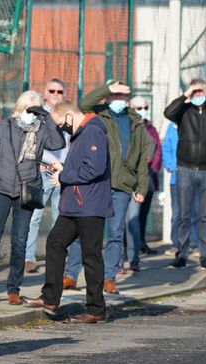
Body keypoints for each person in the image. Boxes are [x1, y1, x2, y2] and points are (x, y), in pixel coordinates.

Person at [0, 90, 65, 305]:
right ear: (20, 109)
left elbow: (58, 143)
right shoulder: (5, 126)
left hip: (27, 190)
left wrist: (46, 117)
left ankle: (13, 288)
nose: (30, 114)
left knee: (20, 241)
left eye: (35, 110)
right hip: (0, 188)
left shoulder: (41, 129)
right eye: (27, 110)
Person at [22, 101, 112, 323]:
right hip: (75, 204)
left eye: (62, 123)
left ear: (70, 115)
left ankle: (95, 309)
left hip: (90, 205)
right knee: (55, 242)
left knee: (91, 256)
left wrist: (64, 176)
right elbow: (83, 166)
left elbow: (94, 168)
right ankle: (50, 298)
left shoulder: (92, 131)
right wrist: (63, 170)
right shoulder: (82, 133)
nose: (62, 128)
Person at [79, 81, 149, 293]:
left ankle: (109, 277)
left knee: (116, 233)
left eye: (123, 97)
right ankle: (81, 274)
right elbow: (84, 104)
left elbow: (142, 159)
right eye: (115, 96)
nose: (119, 100)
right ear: (108, 98)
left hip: (123, 185)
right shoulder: (100, 114)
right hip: (98, 183)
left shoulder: (135, 122)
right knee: (90, 232)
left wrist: (141, 188)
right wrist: (108, 89)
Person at [163, 78, 206, 269]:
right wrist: (185, 94)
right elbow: (168, 112)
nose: (198, 95)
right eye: (195, 92)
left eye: (201, 92)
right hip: (185, 168)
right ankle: (182, 253)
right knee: (184, 214)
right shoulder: (183, 112)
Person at [24, 78, 69, 274]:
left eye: (60, 92)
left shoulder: (67, 113)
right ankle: (28, 257)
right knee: (34, 216)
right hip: (42, 170)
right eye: (52, 91)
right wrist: (37, 165)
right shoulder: (37, 114)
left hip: (63, 171)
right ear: (45, 93)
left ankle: (57, 257)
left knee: (60, 218)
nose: (56, 95)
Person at [162, 121, 199, 256]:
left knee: (195, 212)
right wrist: (171, 166)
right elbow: (166, 148)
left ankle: (195, 244)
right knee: (177, 213)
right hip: (176, 177)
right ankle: (176, 244)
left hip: (195, 175)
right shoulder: (172, 126)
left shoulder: (198, 122)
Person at [131, 95, 161, 257]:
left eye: (146, 107)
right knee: (132, 215)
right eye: (139, 108)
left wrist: (152, 168)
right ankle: (131, 246)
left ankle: (142, 242)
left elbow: (157, 152)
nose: (143, 111)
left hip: (149, 176)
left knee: (144, 213)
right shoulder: (129, 126)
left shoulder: (151, 129)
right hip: (133, 178)